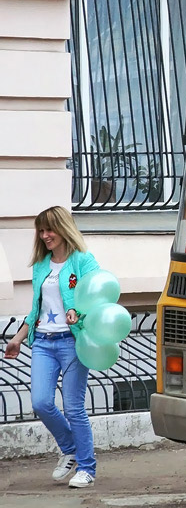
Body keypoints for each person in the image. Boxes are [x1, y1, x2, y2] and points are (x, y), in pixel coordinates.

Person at [3, 206, 101, 488]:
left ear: (63, 228)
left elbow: (97, 296)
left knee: (73, 407)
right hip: (44, 342)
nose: (45, 235)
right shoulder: (41, 265)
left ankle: (86, 468)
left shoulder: (83, 260)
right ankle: (70, 449)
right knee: (41, 403)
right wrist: (18, 338)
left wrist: (78, 314)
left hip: (72, 342)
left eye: (50, 229)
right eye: (41, 231)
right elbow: (36, 310)